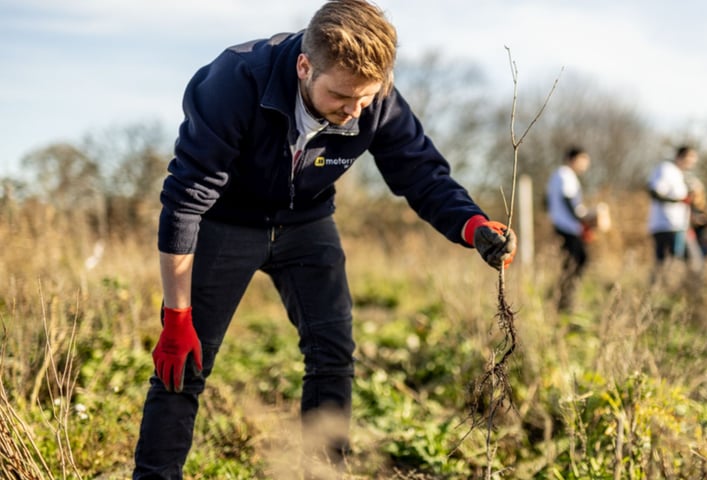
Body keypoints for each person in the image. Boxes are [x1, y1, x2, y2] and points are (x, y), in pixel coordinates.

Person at [132, 1, 517, 478]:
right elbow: (186, 201)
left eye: (366, 98)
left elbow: (421, 174)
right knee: (184, 364)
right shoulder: (235, 80)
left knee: (333, 353)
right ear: (304, 66)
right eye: (340, 96)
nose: (354, 111)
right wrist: (176, 318)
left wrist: (474, 225)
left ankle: (320, 472)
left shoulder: (374, 100)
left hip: (306, 223)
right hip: (226, 222)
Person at [546, 146, 596, 311]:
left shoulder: (559, 176)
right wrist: (582, 219)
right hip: (567, 227)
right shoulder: (564, 175)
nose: (585, 165)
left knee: (574, 262)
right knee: (575, 262)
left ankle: (563, 299)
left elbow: (546, 201)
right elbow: (568, 200)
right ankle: (564, 301)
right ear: (572, 158)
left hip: (565, 225)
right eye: (583, 160)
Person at [646, 145, 698, 284]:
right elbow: (654, 192)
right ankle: (660, 293)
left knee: (666, 263)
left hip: (679, 226)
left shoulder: (681, 175)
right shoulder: (666, 169)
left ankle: (660, 293)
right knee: (690, 261)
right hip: (667, 225)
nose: (692, 162)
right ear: (679, 157)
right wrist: (679, 200)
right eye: (689, 158)